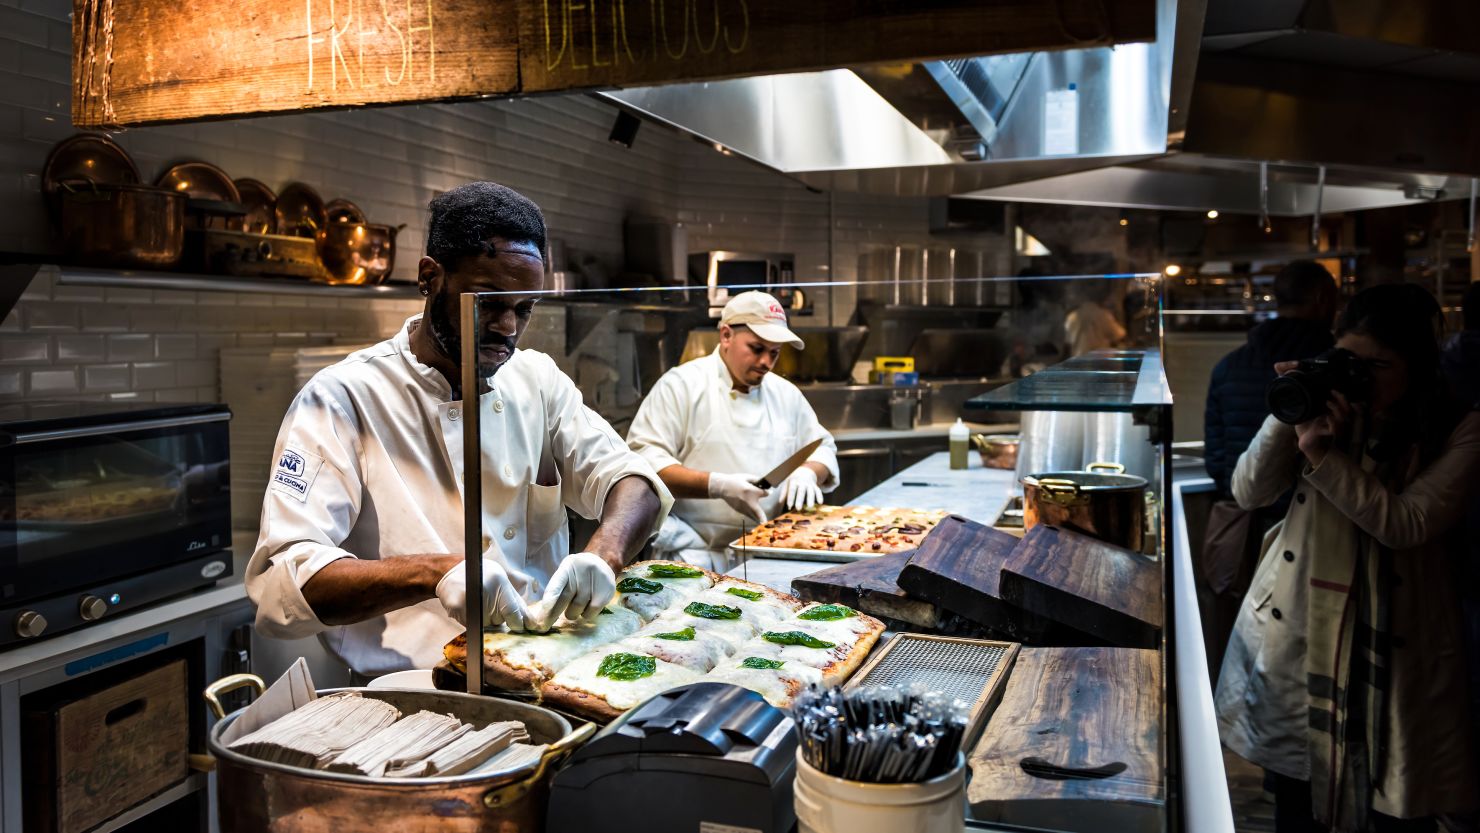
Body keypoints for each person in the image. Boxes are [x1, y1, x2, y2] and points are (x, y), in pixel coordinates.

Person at [247, 182, 672, 678]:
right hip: (408, 690)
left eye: (524, 308)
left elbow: (633, 481)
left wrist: (604, 556)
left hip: (548, 670)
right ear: (430, 277)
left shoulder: (538, 380)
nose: (508, 327)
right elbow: (283, 582)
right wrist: (434, 573)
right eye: (488, 303)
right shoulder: (341, 399)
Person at [1216, 284, 1480, 832]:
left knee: (1390, 809)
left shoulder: (1460, 427)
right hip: (1300, 637)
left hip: (1393, 648)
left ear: (1417, 366)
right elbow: (1248, 492)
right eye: (1348, 360)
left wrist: (1324, 456)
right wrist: (1290, 408)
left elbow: (1406, 524)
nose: (1360, 377)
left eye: (1378, 365)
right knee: (1298, 799)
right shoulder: (1322, 406)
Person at [626, 291, 839, 571]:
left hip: (766, 553)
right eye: (757, 348)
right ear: (726, 335)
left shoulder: (785, 394)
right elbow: (645, 465)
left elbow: (822, 446)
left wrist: (809, 471)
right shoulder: (681, 386)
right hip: (694, 558)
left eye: (775, 353)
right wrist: (718, 485)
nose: (766, 362)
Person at [1201, 261, 1338, 670]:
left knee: (1239, 648)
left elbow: (1217, 459)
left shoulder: (1228, 366)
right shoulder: (1333, 368)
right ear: (1320, 299)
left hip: (1242, 529)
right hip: (1316, 535)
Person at [1063, 279, 1126, 356]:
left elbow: (1068, 341)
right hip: (1100, 361)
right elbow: (1119, 334)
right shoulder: (1102, 315)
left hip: (1079, 360)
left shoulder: (1072, 316)